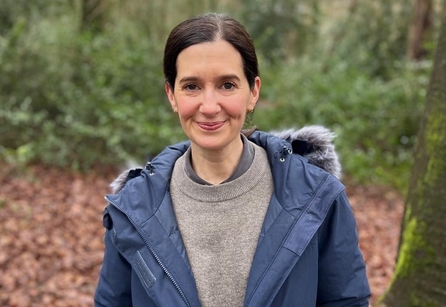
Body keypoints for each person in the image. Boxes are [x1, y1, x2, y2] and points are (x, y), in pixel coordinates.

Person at [94, 12, 370, 307]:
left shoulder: (316, 197)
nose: (209, 106)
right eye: (191, 86)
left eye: (227, 85)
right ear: (171, 95)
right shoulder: (134, 207)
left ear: (253, 92)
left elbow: (346, 301)